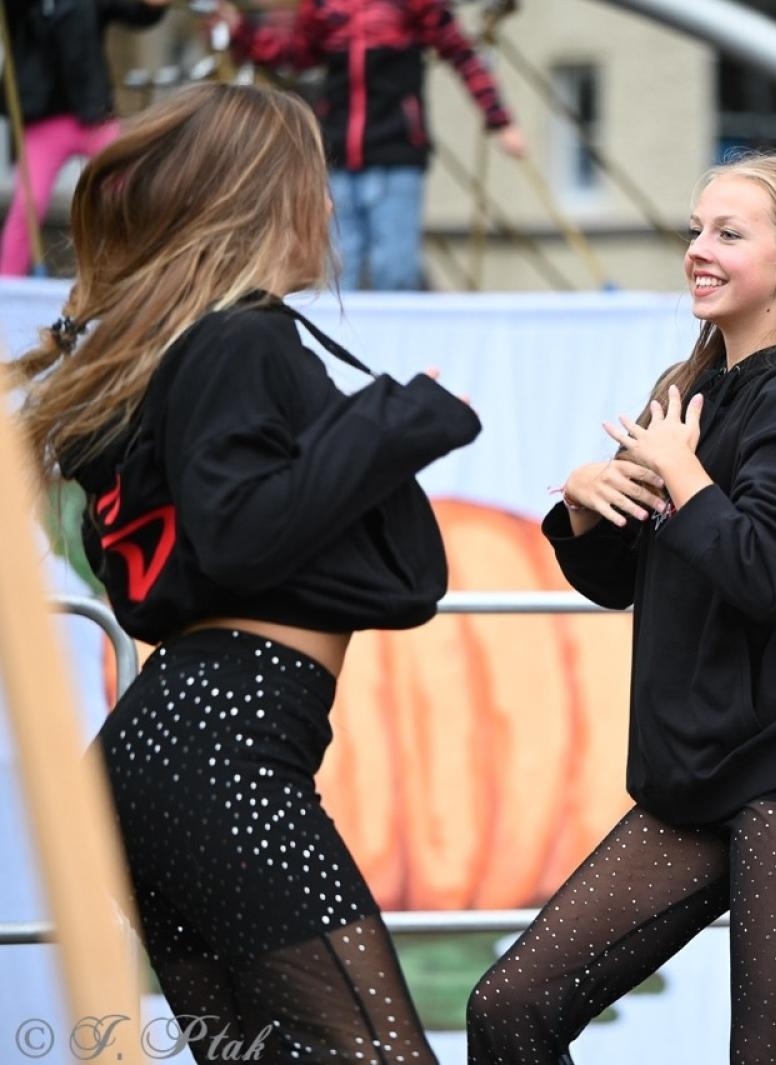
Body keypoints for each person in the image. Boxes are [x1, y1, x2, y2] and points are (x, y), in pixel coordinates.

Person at [11, 82, 480, 1061]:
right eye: (315, 187)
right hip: (219, 757)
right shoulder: (239, 337)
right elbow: (236, 533)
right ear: (270, 198)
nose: (331, 211)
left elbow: (180, 563)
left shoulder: (191, 352)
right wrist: (399, 419)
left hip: (173, 759)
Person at [465, 152, 776, 1064]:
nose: (699, 249)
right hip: (704, 772)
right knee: (510, 1006)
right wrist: (583, 504)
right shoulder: (687, 394)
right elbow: (623, 581)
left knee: (774, 1051)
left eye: (728, 232)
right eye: (695, 230)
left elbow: (765, 576)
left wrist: (684, 479)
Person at [213, 0, 527, 290]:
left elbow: (461, 54)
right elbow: (295, 53)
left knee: (395, 270)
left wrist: (500, 121)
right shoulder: (324, 5)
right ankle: (336, 344)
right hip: (338, 154)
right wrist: (240, 31)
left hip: (396, 151)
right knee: (337, 270)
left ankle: (395, 345)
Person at [0, 0, 169, 276]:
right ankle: (6, 285)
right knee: (27, 205)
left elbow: (135, 12)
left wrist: (151, 7)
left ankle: (143, 272)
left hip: (94, 117)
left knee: (127, 189)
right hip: (44, 121)